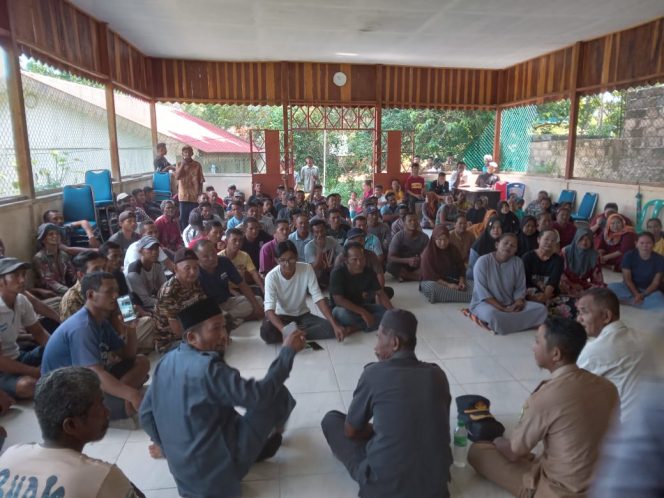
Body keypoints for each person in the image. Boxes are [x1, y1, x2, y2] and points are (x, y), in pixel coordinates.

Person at [141, 299, 305, 498]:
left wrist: (167, 448)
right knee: (276, 394)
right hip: (220, 478)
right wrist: (287, 351)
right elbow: (261, 396)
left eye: (224, 327)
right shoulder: (208, 369)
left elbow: (145, 414)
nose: (224, 336)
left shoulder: (166, 361)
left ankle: (263, 440)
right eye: (216, 329)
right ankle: (270, 436)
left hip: (185, 478)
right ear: (192, 336)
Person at [468, 317, 619, 497]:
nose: (533, 347)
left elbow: (514, 453)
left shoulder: (545, 398)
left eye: (537, 341)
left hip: (561, 491)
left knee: (479, 451)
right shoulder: (608, 386)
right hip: (604, 484)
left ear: (555, 354)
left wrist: (498, 441)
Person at [322, 309, 452, 498]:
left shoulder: (374, 373)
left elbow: (351, 431)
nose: (375, 347)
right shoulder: (437, 374)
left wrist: (374, 430)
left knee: (332, 420)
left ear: (395, 343)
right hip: (436, 489)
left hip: (383, 489)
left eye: (379, 338)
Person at [0, 367, 144, 497]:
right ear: (71, 425)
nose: (107, 412)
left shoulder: (11, 454)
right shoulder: (99, 476)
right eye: (100, 405)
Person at [41, 272, 149, 420]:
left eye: (116, 290)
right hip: (66, 392)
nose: (115, 295)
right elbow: (95, 374)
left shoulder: (101, 321)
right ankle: (122, 398)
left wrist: (130, 328)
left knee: (142, 361)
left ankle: (120, 395)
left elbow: (127, 355)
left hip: (87, 380)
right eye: (109, 291)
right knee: (129, 406)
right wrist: (132, 394)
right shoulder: (82, 326)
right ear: (91, 295)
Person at [576, 288, 644, 423]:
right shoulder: (639, 337)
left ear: (606, 316)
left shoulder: (594, 350)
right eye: (578, 312)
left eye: (584, 312)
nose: (579, 318)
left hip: (621, 429)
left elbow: (569, 390)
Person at [260, 240, 347, 344]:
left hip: (302, 316)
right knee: (267, 332)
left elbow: (318, 297)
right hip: (282, 317)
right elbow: (269, 310)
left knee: (330, 328)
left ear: (296, 257)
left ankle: (297, 333)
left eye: (291, 259)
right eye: (282, 260)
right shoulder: (271, 277)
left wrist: (334, 324)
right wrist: (285, 330)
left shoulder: (306, 268)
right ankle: (293, 332)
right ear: (276, 260)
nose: (287, 264)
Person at [469, 233, 547, 334]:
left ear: (516, 250)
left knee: (541, 309)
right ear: (497, 245)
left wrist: (518, 302)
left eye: (512, 245)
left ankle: (506, 324)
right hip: (485, 304)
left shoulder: (518, 262)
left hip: (510, 303)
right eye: (505, 243)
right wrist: (502, 309)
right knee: (493, 315)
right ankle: (511, 322)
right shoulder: (483, 262)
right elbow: (482, 292)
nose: (508, 247)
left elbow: (520, 287)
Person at [0, 258, 50, 400]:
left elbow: (39, 333)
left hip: (18, 357)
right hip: (2, 369)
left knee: (57, 348)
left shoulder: (21, 300)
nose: (22, 280)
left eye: (23, 274)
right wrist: (35, 372)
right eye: (15, 276)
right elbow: (1, 361)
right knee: (27, 386)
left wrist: (57, 350)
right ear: (0, 281)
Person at [329, 243, 393, 335]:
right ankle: (368, 323)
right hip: (341, 309)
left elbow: (381, 293)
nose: (359, 263)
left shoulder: (368, 272)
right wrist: (363, 313)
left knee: (385, 312)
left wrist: (393, 313)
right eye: (354, 260)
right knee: (344, 315)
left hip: (360, 305)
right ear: (346, 260)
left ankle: (355, 328)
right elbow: (339, 300)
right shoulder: (337, 273)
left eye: (362, 259)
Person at [194, 239, 264, 324]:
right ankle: (230, 320)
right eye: (206, 257)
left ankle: (228, 320)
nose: (212, 258)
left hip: (227, 301)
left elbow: (242, 284)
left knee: (258, 301)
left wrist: (256, 307)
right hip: (211, 308)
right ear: (197, 259)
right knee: (206, 318)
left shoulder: (224, 261)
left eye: (213, 252)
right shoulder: (195, 272)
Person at [154, 248, 208, 349]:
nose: (193, 272)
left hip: (191, 329)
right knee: (206, 344)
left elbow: (204, 308)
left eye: (195, 268)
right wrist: (202, 335)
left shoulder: (195, 282)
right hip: (171, 341)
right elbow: (178, 332)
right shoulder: (168, 291)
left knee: (224, 323)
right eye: (187, 268)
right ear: (175, 269)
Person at [522, 229, 576, 318]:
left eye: (553, 240)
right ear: (538, 240)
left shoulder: (558, 260)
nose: (549, 242)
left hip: (549, 294)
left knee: (574, 307)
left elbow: (553, 281)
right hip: (530, 294)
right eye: (546, 239)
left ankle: (543, 313)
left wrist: (545, 296)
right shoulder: (527, 257)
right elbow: (523, 281)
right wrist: (531, 297)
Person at [607, 231, 664, 310]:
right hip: (629, 288)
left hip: (649, 291)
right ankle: (639, 302)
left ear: (653, 245)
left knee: (661, 302)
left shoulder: (660, 259)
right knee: (609, 289)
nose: (645, 246)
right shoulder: (629, 255)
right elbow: (627, 280)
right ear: (636, 244)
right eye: (642, 243)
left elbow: (655, 283)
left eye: (648, 243)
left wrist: (643, 295)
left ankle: (628, 302)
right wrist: (636, 294)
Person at [420, 225, 472, 303]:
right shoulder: (428, 253)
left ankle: (471, 295)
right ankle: (470, 297)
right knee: (433, 289)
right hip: (433, 281)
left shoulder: (453, 249)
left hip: (451, 278)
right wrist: (448, 285)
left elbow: (461, 267)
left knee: (472, 284)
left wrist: (461, 281)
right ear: (434, 239)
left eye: (445, 239)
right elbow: (430, 276)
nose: (443, 243)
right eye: (439, 240)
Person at [60, 251, 108, 321]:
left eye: (104, 268)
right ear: (81, 275)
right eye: (96, 270)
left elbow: (125, 307)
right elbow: (80, 330)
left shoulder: (111, 284)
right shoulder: (72, 300)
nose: (103, 273)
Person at [32, 223, 76, 296]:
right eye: (50, 234)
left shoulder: (63, 255)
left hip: (66, 291)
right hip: (51, 295)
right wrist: (70, 292)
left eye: (57, 234)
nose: (55, 236)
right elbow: (49, 282)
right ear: (43, 240)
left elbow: (72, 274)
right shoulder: (39, 258)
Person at [560, 228, 606, 297]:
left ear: (591, 241)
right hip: (566, 282)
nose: (584, 242)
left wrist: (598, 287)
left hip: (581, 284)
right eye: (581, 239)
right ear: (576, 239)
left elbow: (597, 277)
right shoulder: (565, 252)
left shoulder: (594, 255)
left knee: (602, 290)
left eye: (588, 239)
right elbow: (559, 272)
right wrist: (572, 284)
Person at [126, 237, 166, 311]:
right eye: (150, 249)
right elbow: (144, 301)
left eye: (156, 249)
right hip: (139, 307)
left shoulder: (157, 265)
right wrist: (167, 302)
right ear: (140, 251)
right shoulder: (134, 271)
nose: (155, 252)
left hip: (154, 300)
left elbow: (165, 288)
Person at [220, 228, 265, 295]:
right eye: (234, 240)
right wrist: (235, 293)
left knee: (261, 292)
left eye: (240, 240)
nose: (238, 243)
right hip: (226, 290)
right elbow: (217, 282)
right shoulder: (219, 258)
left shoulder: (245, 255)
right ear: (226, 241)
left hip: (243, 288)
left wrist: (263, 289)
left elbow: (254, 273)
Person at [387, 213, 429, 282]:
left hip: (418, 264)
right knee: (390, 266)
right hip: (403, 265)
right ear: (404, 223)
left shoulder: (424, 237)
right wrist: (408, 260)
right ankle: (416, 277)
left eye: (415, 220)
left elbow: (428, 255)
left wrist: (420, 259)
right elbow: (390, 257)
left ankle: (405, 276)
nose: (413, 222)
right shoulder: (398, 237)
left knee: (431, 264)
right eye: (410, 221)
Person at [304, 219, 342, 288]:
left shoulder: (331, 240)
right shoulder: (308, 247)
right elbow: (316, 267)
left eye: (322, 231)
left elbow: (342, 254)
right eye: (316, 232)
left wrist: (336, 265)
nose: (320, 234)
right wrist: (319, 248)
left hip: (332, 275)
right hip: (316, 279)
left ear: (326, 230)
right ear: (312, 234)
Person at [175, 145, 205, 231]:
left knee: (194, 216)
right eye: (185, 152)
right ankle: (184, 233)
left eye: (189, 152)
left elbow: (201, 180)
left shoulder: (197, 165)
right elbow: (177, 177)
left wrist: (200, 194)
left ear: (192, 153)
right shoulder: (179, 164)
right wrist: (183, 164)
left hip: (194, 196)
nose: (187, 154)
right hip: (183, 196)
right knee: (183, 218)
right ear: (182, 154)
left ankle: (194, 233)